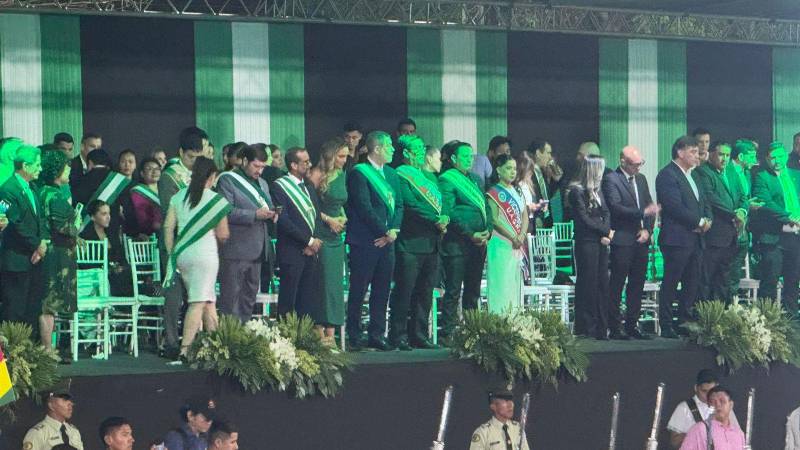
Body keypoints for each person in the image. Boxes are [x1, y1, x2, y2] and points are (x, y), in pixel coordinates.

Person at [163, 157, 230, 357]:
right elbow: (223, 234)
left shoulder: (178, 196)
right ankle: (185, 349)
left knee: (209, 302)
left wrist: (171, 252)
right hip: (205, 256)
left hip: (183, 255)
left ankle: (218, 347)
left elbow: (168, 227)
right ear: (211, 177)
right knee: (197, 302)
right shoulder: (216, 201)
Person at [345, 131, 403, 351]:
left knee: (382, 289)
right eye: (389, 146)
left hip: (388, 242)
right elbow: (363, 207)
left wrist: (393, 231)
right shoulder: (359, 173)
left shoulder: (391, 173)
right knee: (359, 289)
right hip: (365, 241)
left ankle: (377, 334)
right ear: (377, 148)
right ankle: (354, 333)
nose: (393, 150)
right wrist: (384, 231)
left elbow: (399, 206)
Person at [388, 135, 447, 350]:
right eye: (417, 149)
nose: (422, 152)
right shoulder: (399, 175)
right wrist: (435, 220)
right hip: (410, 242)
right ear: (406, 153)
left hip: (432, 243)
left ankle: (419, 334)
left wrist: (444, 218)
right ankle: (398, 334)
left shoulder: (428, 177)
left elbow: (442, 203)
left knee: (425, 291)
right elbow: (410, 205)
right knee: (405, 291)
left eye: (423, 147)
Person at [158, 126, 207, 359]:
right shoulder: (169, 176)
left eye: (198, 158)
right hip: (174, 241)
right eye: (189, 157)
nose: (193, 162)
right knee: (174, 296)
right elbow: (170, 210)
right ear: (180, 152)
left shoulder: (201, 175)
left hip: (196, 243)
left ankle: (192, 341)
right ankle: (170, 341)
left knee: (196, 296)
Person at [656, 136, 712, 338]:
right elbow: (674, 206)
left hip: (696, 239)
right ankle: (666, 324)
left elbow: (704, 202)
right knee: (671, 282)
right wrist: (698, 222)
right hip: (677, 238)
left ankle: (685, 321)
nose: (698, 155)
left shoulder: (694, 175)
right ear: (680, 152)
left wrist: (708, 220)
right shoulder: (667, 175)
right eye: (693, 152)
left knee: (692, 282)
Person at [602, 146, 659, 340]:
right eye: (635, 165)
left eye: (641, 164)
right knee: (617, 284)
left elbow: (650, 206)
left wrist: (648, 230)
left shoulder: (641, 180)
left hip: (641, 240)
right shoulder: (612, 179)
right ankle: (615, 326)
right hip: (623, 239)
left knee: (637, 284)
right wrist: (642, 213)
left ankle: (632, 325)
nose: (638, 168)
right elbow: (616, 207)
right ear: (623, 162)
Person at [439, 141, 492, 340]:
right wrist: (471, 233)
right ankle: (449, 332)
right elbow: (450, 211)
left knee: (473, 290)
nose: (470, 160)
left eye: (471, 156)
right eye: (465, 156)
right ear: (453, 159)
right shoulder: (447, 179)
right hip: (457, 244)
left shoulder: (476, 180)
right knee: (453, 290)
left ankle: (473, 330)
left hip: (479, 245)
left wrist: (488, 230)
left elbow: (486, 208)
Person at [217, 145, 276, 323]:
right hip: (236, 248)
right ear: (244, 161)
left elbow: (267, 206)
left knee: (250, 296)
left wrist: (273, 214)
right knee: (231, 297)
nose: (259, 171)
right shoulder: (227, 180)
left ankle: (244, 336)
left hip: (258, 248)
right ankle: (229, 338)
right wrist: (254, 215)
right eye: (256, 166)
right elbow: (225, 212)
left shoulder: (263, 183)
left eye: (263, 167)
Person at [272, 147, 323, 321]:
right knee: (288, 300)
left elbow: (316, 216)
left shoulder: (308, 186)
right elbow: (284, 221)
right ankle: (286, 342)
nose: (309, 165)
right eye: (305, 162)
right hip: (292, 250)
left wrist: (314, 242)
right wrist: (307, 241)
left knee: (307, 300)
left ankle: (304, 340)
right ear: (293, 165)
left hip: (311, 252)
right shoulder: (280, 186)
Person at [750, 141, 800, 315]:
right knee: (770, 281)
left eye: (780, 156)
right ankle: (767, 320)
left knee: (793, 280)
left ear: (786, 156)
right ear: (767, 159)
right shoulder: (762, 177)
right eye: (773, 157)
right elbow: (766, 202)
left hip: (795, 237)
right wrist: (789, 217)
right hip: (773, 238)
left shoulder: (796, 174)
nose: (777, 160)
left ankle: (792, 321)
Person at [694, 142, 747, 304]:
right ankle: (705, 317)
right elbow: (710, 198)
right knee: (707, 279)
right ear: (711, 154)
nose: (724, 159)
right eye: (721, 154)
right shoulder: (702, 172)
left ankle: (722, 317)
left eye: (727, 155)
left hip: (732, 235)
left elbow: (742, 196)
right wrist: (734, 213)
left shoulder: (731, 171)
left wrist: (743, 211)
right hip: (714, 236)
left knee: (725, 279)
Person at [0, 145, 47, 326]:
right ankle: (11, 352)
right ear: (25, 166)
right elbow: (15, 223)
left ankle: (28, 352)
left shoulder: (32, 188)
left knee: (31, 308)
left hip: (34, 258)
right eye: (37, 165)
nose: (40, 169)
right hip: (16, 260)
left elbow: (40, 219)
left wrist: (41, 243)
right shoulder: (7, 189)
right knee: (15, 309)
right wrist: (37, 245)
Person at [38, 149, 79, 353]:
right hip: (56, 255)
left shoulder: (45, 191)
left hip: (55, 253)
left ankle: (48, 348)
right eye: (66, 166)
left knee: (49, 305)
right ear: (56, 170)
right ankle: (47, 349)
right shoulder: (53, 194)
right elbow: (60, 226)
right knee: (49, 304)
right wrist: (77, 226)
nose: (69, 170)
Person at [568, 155, 612, 339]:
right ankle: (586, 326)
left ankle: (602, 326)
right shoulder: (576, 191)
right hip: (586, 243)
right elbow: (584, 219)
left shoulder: (598, 191)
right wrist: (604, 231)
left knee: (602, 282)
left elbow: (606, 212)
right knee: (588, 283)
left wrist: (606, 230)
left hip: (600, 242)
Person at [308, 139, 348, 345]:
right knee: (320, 284)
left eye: (346, 155)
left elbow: (340, 203)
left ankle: (331, 335)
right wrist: (329, 220)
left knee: (334, 286)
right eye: (340, 156)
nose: (345, 159)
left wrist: (342, 217)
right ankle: (318, 331)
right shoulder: (316, 175)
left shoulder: (341, 175)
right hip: (321, 233)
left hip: (336, 237)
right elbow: (308, 206)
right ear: (330, 156)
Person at [486, 154, 528, 313]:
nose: (513, 172)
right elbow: (495, 220)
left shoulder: (517, 191)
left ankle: (514, 319)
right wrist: (513, 237)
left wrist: (521, 235)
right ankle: (499, 320)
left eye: (514, 169)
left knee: (514, 281)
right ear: (498, 170)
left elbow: (525, 215)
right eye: (508, 168)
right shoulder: (493, 192)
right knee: (501, 281)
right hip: (501, 243)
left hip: (516, 244)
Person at [667, 369, 740, 449]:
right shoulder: (684, 408)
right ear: (696, 388)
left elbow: (736, 435)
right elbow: (674, 442)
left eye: (711, 391)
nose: (708, 395)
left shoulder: (724, 407)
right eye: (704, 391)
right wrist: (696, 432)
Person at [72, 149, 131, 242]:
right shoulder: (118, 181)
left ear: (90, 163)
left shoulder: (80, 181)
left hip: (86, 235)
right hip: (112, 233)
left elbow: (75, 206)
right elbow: (127, 210)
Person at [726, 139, 760, 297]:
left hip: (744, 229)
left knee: (735, 273)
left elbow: (744, 198)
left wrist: (748, 205)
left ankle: (732, 306)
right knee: (726, 272)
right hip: (728, 225)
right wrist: (744, 205)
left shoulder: (747, 173)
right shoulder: (726, 170)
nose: (755, 160)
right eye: (752, 156)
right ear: (740, 156)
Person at [80, 200, 131, 296]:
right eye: (104, 214)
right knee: (121, 278)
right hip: (100, 276)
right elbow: (87, 264)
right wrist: (110, 269)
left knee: (128, 272)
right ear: (93, 217)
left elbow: (122, 257)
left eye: (109, 213)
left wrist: (120, 267)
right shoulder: (86, 237)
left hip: (118, 275)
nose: (108, 217)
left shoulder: (112, 235)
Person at [679, 386, 744, 450]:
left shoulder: (738, 433)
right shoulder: (699, 429)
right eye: (713, 402)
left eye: (722, 401)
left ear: (730, 405)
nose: (718, 405)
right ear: (709, 406)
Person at [23, 384, 84, 450]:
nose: (71, 404)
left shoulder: (73, 431)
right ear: (51, 405)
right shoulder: (37, 433)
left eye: (70, 400)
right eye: (64, 400)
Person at [528, 139, 561, 228]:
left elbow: (558, 179)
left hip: (546, 219)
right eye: (548, 153)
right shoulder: (528, 173)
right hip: (535, 221)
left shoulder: (542, 171)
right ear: (538, 153)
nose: (550, 157)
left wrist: (554, 167)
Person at [127, 157, 163, 238]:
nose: (154, 171)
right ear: (142, 173)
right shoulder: (137, 192)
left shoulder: (165, 191)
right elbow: (140, 218)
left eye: (157, 168)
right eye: (149, 169)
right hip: (148, 237)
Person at [514, 151, 546, 235]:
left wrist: (540, 206)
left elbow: (532, 206)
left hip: (531, 223)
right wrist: (529, 208)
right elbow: (515, 210)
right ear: (522, 169)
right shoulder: (515, 187)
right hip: (521, 226)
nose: (531, 173)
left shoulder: (530, 185)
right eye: (529, 170)